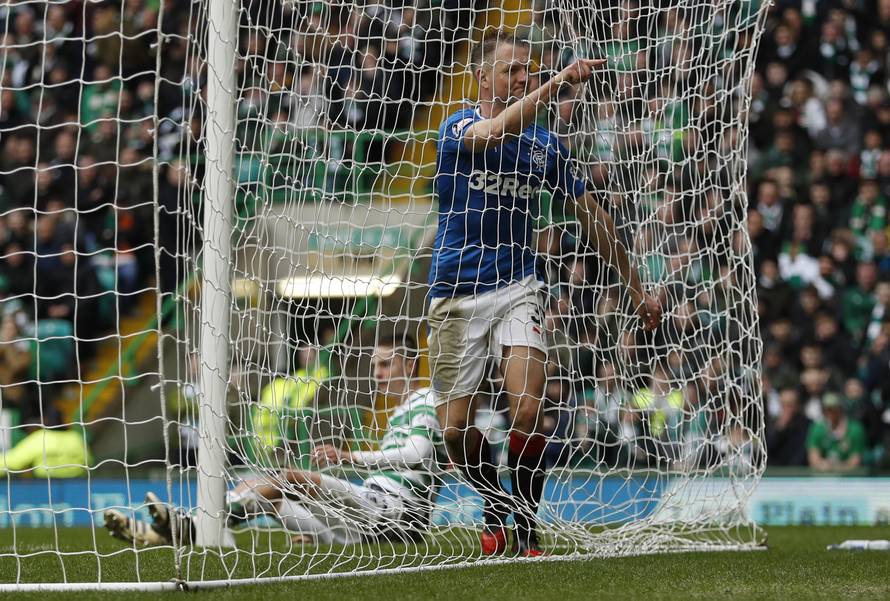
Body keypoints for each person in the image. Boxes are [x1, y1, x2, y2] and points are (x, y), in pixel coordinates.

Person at [426, 31, 661, 557]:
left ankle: (528, 526)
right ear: (481, 76)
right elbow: (489, 135)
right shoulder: (457, 127)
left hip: (517, 286)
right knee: (456, 431)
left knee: (529, 412)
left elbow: (593, 219)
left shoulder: (543, 147)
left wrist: (637, 290)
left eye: (528, 71)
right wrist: (557, 83)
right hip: (456, 291)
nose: (522, 79)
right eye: (510, 70)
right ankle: (493, 503)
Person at [104, 331, 443, 546]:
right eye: (374, 367)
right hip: (368, 523)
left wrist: (350, 457)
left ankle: (193, 524)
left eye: (385, 365)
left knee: (292, 478)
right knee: (264, 491)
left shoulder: (427, 399)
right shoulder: (398, 412)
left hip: (397, 513)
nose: (377, 374)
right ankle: (160, 534)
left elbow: (417, 452)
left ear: (410, 365)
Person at [806, 392, 868, 473]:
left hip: (849, 480)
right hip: (823, 477)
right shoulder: (817, 428)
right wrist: (823, 465)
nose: (829, 412)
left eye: (833, 409)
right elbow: (813, 458)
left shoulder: (855, 429)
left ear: (841, 409)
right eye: (825, 409)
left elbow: (855, 460)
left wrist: (837, 467)